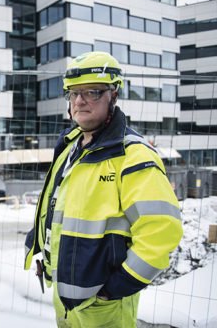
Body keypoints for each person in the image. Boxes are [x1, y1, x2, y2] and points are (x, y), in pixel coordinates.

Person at [23, 51, 183, 327]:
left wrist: (115, 289)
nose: (80, 101)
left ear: (114, 95)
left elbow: (161, 232)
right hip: (66, 299)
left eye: (93, 92)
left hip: (104, 306)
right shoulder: (70, 149)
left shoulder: (134, 156)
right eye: (73, 93)